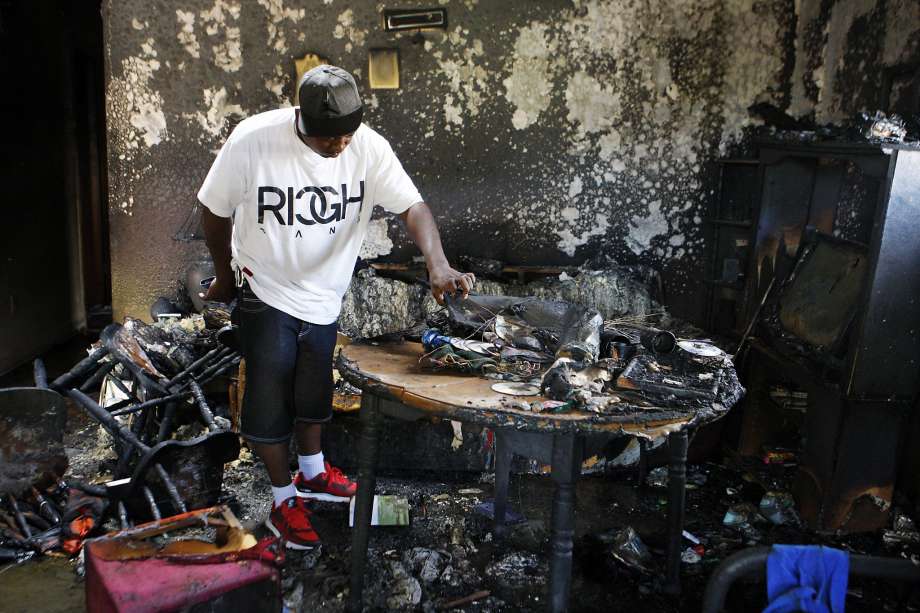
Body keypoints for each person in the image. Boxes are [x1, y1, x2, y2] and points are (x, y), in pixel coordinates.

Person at [197, 64, 475, 549]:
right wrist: (225, 275)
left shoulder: (367, 145)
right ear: (301, 120)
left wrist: (439, 264)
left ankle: (312, 473)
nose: (340, 147)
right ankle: (283, 500)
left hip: (324, 293)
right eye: (330, 140)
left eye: (347, 136)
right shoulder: (254, 140)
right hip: (265, 285)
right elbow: (214, 209)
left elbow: (413, 207)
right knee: (270, 393)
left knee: (313, 387)